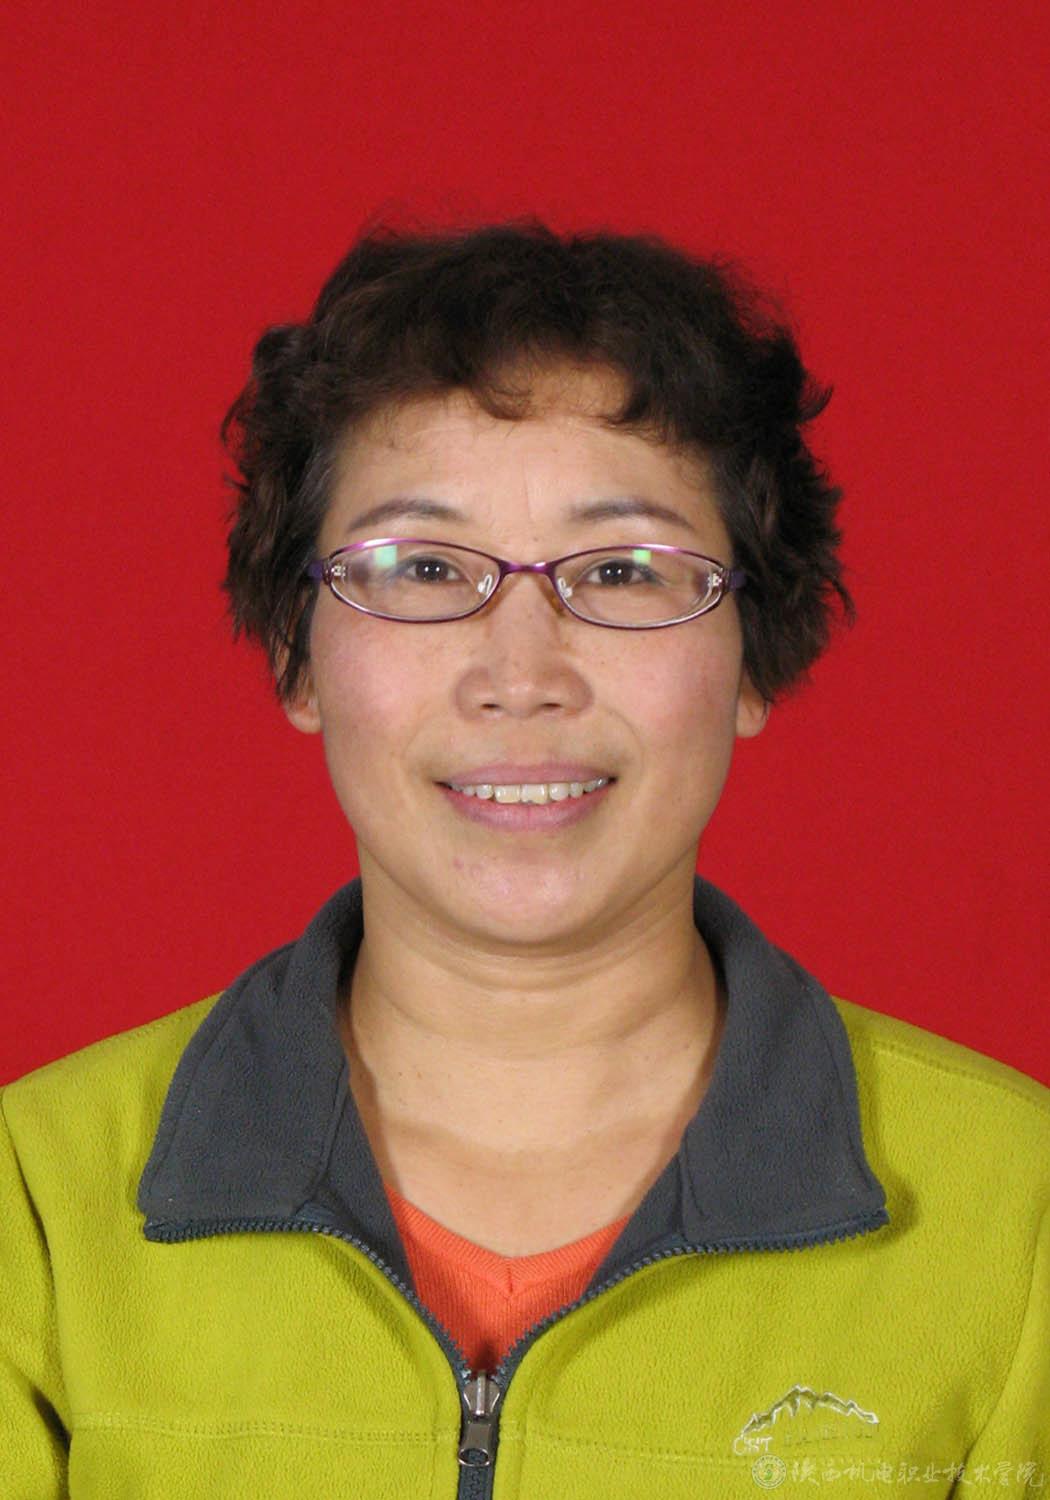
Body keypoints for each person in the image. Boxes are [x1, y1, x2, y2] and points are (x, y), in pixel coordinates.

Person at [2, 220, 1047, 1498]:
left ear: (754, 655)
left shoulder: (1020, 1221)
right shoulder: (35, 1202)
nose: (521, 673)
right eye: (422, 567)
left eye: (622, 571)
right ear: (295, 652)